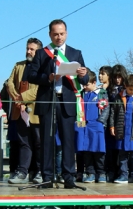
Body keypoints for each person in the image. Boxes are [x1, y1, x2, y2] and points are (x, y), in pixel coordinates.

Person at [27, 19, 89, 189]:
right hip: (48, 100)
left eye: (62, 34)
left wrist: (84, 74)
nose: (59, 37)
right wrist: (48, 78)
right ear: (50, 35)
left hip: (67, 101)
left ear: (66, 33)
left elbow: (84, 80)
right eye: (55, 34)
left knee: (68, 140)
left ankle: (69, 177)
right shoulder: (42, 54)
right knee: (46, 140)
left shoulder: (75, 53)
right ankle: (47, 177)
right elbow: (31, 75)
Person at [7, 38, 43, 185]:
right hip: (19, 110)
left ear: (38, 51)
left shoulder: (43, 67)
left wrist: (23, 98)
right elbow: (9, 83)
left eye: (32, 49)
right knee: (24, 143)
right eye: (27, 48)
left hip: (36, 111)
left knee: (39, 142)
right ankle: (22, 171)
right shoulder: (18, 65)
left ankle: (40, 171)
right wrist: (17, 99)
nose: (28, 51)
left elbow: (40, 89)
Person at [109, 75, 133, 184]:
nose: (132, 91)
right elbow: (113, 113)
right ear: (125, 86)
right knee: (122, 156)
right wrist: (112, 126)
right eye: (130, 89)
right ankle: (123, 175)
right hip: (122, 132)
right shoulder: (119, 97)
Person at [76, 71, 109, 182]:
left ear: (94, 82)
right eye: (83, 85)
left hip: (97, 125)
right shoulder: (82, 94)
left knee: (99, 150)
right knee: (86, 150)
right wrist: (80, 124)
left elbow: (106, 108)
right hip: (84, 125)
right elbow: (79, 109)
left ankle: (101, 173)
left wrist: (101, 121)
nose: (85, 87)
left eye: (87, 84)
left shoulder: (101, 93)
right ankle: (90, 173)